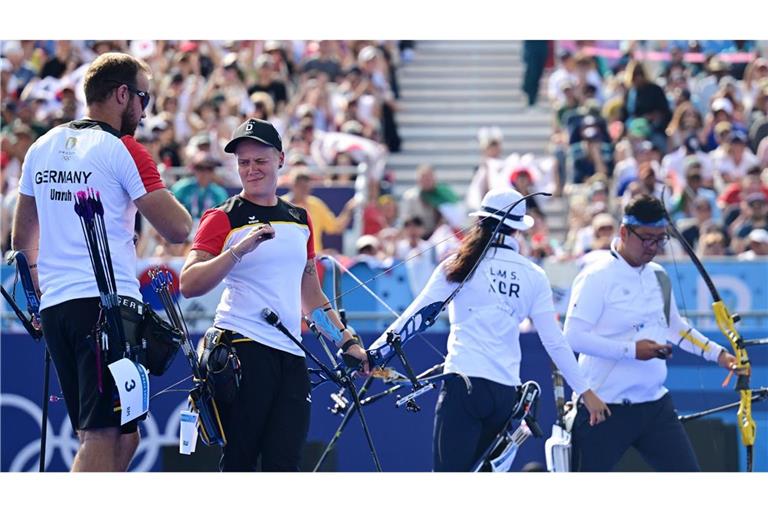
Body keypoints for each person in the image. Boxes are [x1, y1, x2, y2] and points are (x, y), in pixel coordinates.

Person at [11, 52, 193, 471]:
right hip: (104, 310)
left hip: (59, 307)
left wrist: (39, 298)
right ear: (122, 94)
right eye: (143, 99)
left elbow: (23, 240)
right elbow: (178, 228)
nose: (145, 111)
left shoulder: (42, 146)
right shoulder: (123, 149)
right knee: (103, 434)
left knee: (125, 436)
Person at [369, 188, 610, 472]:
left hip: (464, 387)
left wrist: (373, 355)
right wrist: (585, 392)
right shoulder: (533, 275)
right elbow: (555, 342)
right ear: (517, 230)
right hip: (504, 393)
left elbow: (414, 316)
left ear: (480, 221)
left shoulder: (458, 263)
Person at [178, 118, 369, 472]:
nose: (251, 170)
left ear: (280, 159)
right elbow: (189, 283)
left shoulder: (299, 218)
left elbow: (310, 293)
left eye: (260, 161)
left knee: (286, 465)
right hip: (241, 350)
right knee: (240, 463)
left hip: (290, 356)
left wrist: (346, 342)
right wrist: (237, 251)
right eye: (243, 162)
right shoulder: (222, 217)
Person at [563, 194, 742, 472]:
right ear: (624, 231)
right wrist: (632, 350)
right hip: (605, 407)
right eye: (646, 238)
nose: (654, 247)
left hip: (655, 405)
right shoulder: (596, 276)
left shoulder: (658, 275)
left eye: (660, 239)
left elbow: (676, 328)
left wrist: (720, 356)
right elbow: (573, 336)